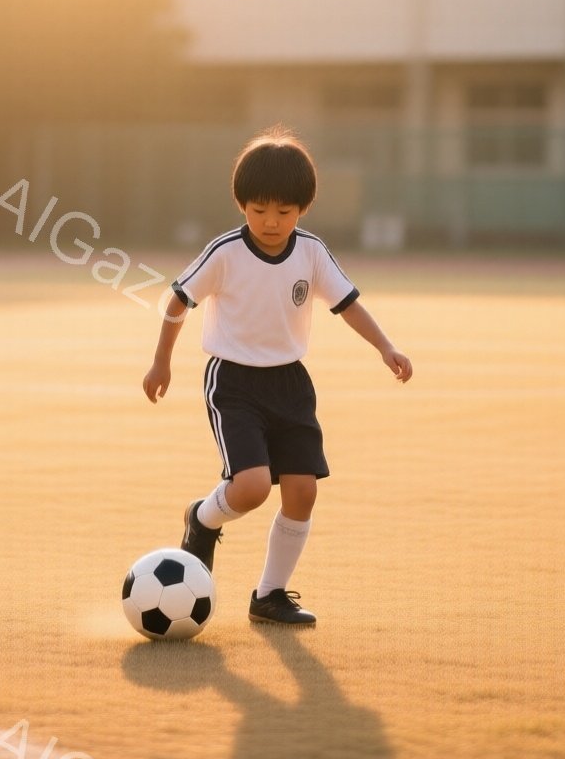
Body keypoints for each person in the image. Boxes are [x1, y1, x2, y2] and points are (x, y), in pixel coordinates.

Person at [142, 126, 412, 625]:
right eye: (258, 209)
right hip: (235, 382)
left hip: (290, 383)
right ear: (241, 204)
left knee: (303, 491)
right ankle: (201, 519)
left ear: (303, 209)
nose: (270, 221)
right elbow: (178, 299)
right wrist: (162, 360)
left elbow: (348, 303)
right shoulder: (225, 253)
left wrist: (386, 346)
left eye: (283, 212)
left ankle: (269, 595)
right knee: (250, 487)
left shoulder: (310, 251)